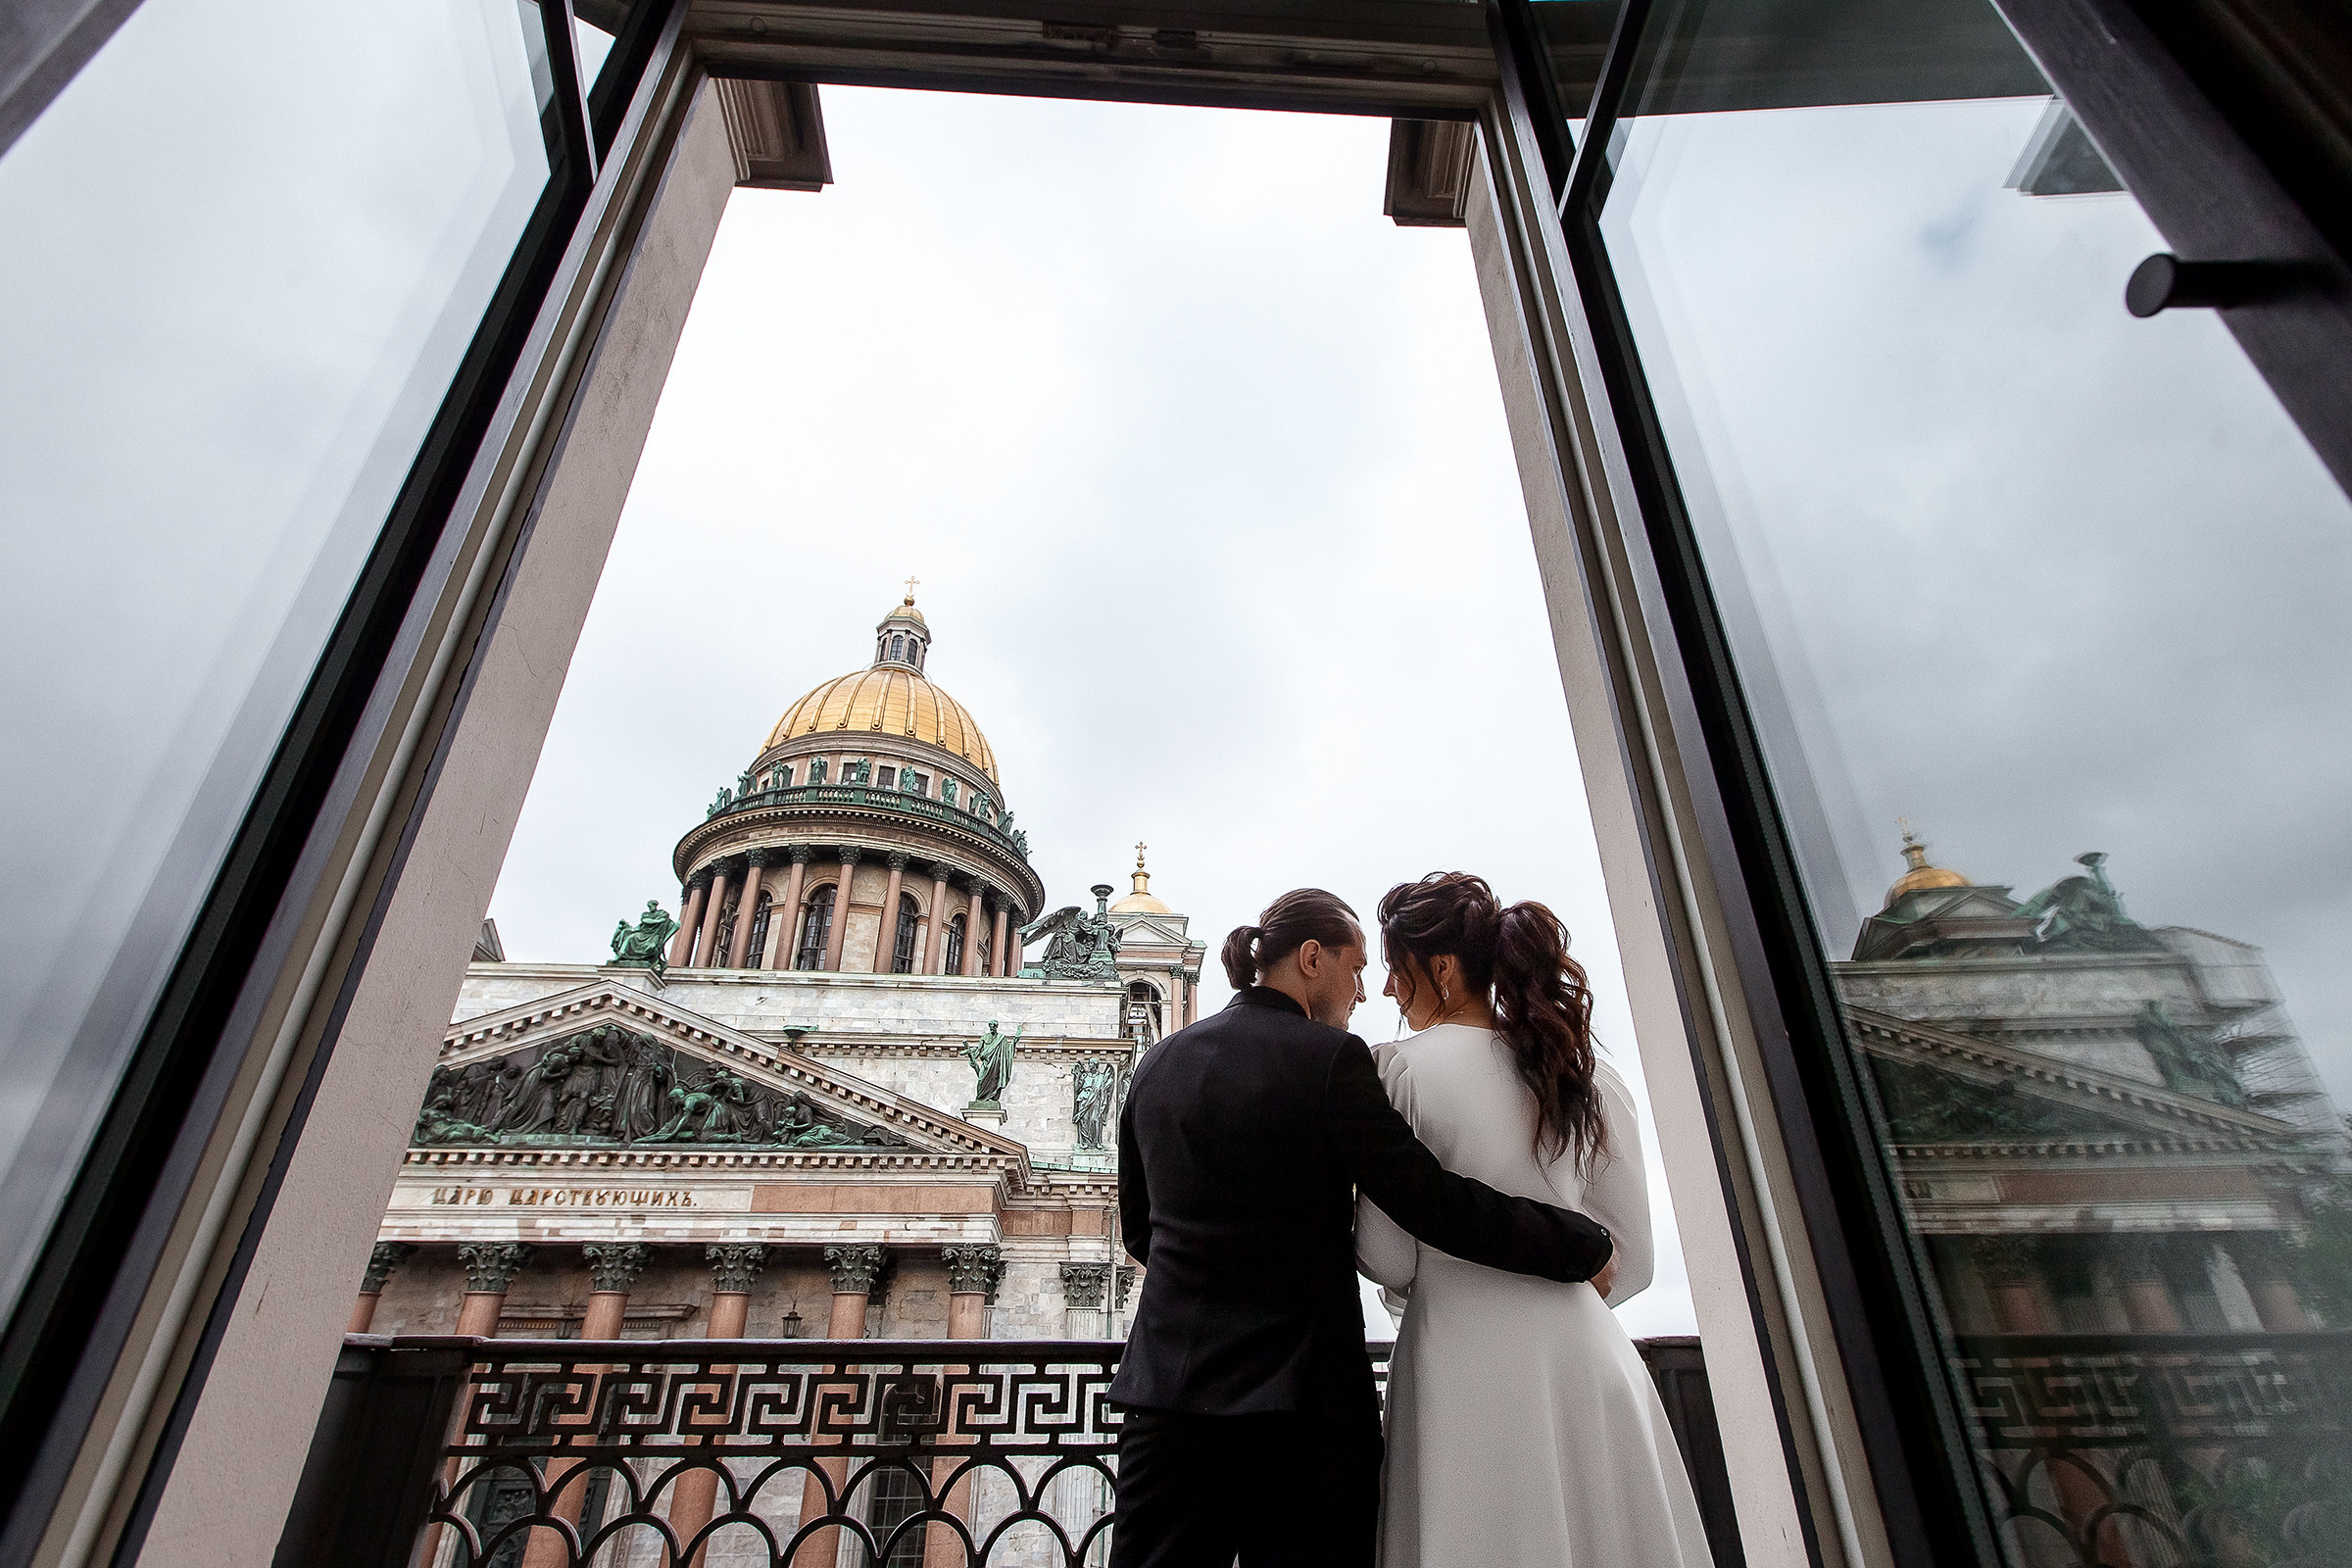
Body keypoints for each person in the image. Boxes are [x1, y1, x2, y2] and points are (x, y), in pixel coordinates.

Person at [1110, 888, 1616, 1568]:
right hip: (1301, 1415)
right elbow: (1430, 1201)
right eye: (1354, 969)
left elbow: (1139, 1230)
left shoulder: (1157, 1065)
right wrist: (1580, 1242)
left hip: (1165, 1408)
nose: (1363, 992)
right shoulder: (1330, 1060)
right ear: (1312, 958)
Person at [1357, 872, 1713, 1568]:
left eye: (1396, 970)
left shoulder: (1398, 1072)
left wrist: (1436, 1286)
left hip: (1457, 1361)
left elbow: (1385, 1254)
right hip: (1589, 1359)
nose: (1391, 992)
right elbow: (1633, 1260)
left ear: (1441, 968)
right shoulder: (1584, 1070)